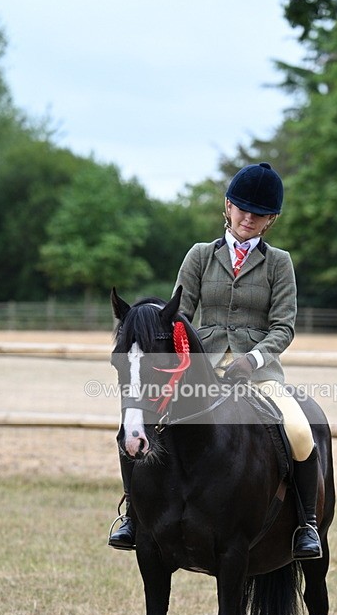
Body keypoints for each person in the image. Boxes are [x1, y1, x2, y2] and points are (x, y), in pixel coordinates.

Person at [109, 162, 321, 559]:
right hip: (199, 371)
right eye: (241, 208)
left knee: (300, 431)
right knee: (136, 423)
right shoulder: (200, 256)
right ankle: (132, 516)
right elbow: (175, 314)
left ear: (270, 219)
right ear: (228, 206)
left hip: (258, 374)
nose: (248, 217)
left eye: (258, 213)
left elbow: (283, 327)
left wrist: (253, 359)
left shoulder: (279, 263)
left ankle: (306, 526)